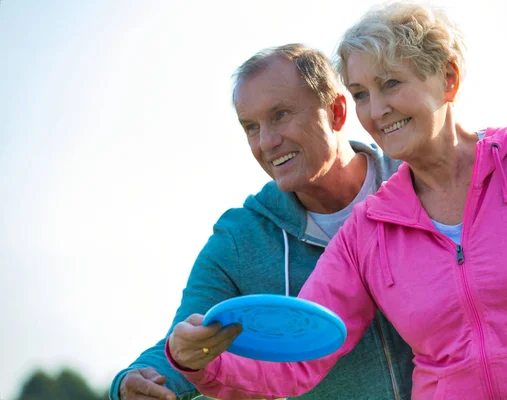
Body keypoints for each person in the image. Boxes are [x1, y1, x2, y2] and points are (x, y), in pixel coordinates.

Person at [165, 2, 507, 399]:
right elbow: (299, 360)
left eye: (390, 83)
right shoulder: (367, 230)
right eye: (360, 94)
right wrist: (199, 359)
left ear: (448, 78)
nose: (375, 111)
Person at [109, 43, 415, 400]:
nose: (266, 142)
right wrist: (131, 382)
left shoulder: (419, 184)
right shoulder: (241, 239)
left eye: (281, 115)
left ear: (336, 111)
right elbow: (189, 338)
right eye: (250, 127)